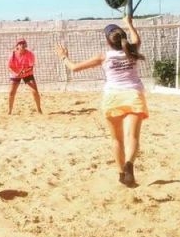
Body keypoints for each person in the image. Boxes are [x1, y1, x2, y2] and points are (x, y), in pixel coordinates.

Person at [55, 16, 148, 187]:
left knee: (117, 140)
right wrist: (129, 23)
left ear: (107, 41)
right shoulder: (132, 50)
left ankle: (122, 174)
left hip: (112, 98)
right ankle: (129, 165)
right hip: (133, 95)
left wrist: (63, 57)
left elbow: (74, 68)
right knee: (132, 136)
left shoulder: (103, 56)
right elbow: (136, 39)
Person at [8, 38, 42, 114]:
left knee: (35, 91)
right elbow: (10, 67)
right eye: (20, 44)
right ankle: (9, 111)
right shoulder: (12, 54)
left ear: (25, 45)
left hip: (27, 73)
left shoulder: (30, 54)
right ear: (17, 46)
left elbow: (31, 67)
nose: (22, 45)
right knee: (11, 92)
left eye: (23, 43)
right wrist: (16, 73)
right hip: (15, 74)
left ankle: (39, 109)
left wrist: (24, 71)